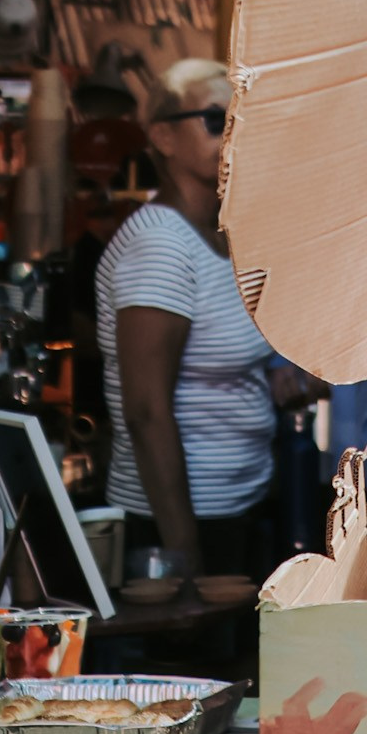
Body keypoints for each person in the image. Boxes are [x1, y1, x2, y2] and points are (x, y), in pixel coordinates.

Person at [96, 58, 280, 581]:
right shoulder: (160, 244)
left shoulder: (228, 237)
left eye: (242, 115)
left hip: (238, 509)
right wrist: (183, 554)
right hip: (181, 527)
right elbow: (145, 410)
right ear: (163, 137)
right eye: (215, 118)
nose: (234, 131)